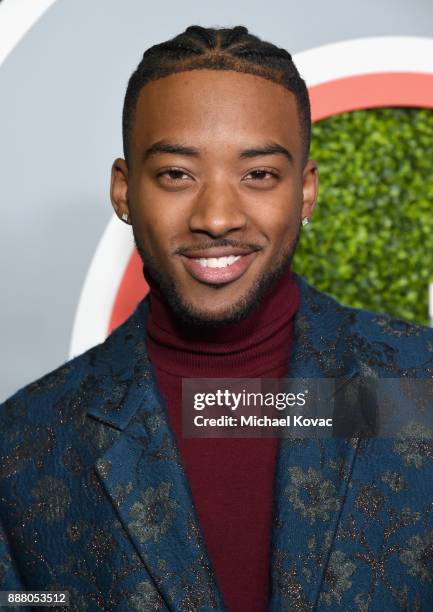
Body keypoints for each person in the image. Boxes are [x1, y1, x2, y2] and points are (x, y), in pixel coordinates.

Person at [0, 25, 432, 612]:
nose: (218, 216)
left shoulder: (421, 385)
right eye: (177, 174)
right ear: (124, 192)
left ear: (305, 193)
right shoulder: (25, 443)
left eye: (258, 174)